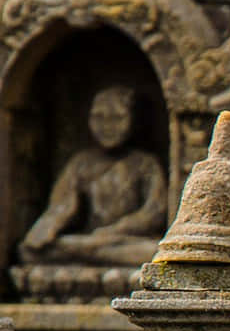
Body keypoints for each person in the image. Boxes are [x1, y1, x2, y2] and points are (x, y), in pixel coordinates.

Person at [19, 86, 167, 266]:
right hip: (88, 241)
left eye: (117, 118)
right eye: (98, 117)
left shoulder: (145, 163)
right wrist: (43, 231)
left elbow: (154, 212)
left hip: (124, 241)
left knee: (154, 252)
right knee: (32, 252)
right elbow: (61, 207)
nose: (107, 126)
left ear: (135, 121)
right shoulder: (81, 163)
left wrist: (114, 231)